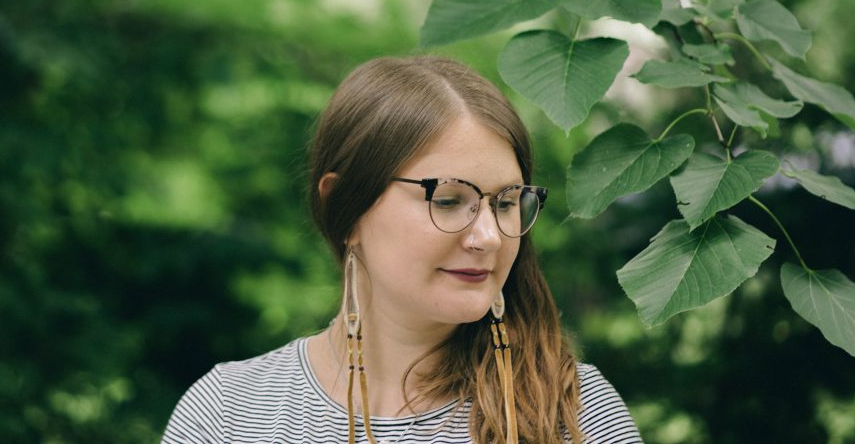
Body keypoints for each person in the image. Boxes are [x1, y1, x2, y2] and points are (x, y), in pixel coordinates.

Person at [162, 56, 642, 443]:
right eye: (450, 200)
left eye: (507, 202)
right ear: (346, 209)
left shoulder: (575, 414)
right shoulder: (230, 414)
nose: (490, 237)